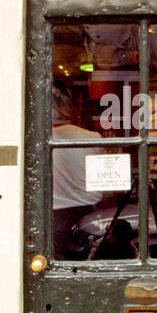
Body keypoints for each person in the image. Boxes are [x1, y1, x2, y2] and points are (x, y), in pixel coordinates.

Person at [51, 83, 105, 258]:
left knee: (57, 263)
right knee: (86, 262)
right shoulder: (92, 138)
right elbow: (104, 179)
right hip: (89, 210)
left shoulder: (40, 139)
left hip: (56, 211)